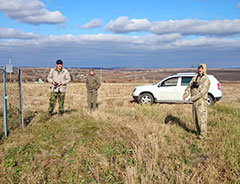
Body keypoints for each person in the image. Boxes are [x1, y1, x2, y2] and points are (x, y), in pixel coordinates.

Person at [183, 64, 210, 140]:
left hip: (201, 102)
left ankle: (202, 135)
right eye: (199, 68)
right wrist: (186, 94)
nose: (200, 69)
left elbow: (202, 92)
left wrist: (192, 98)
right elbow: (189, 87)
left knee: (201, 119)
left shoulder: (206, 79)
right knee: (195, 118)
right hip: (195, 102)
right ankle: (198, 133)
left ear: (204, 69)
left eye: (201, 68)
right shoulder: (195, 78)